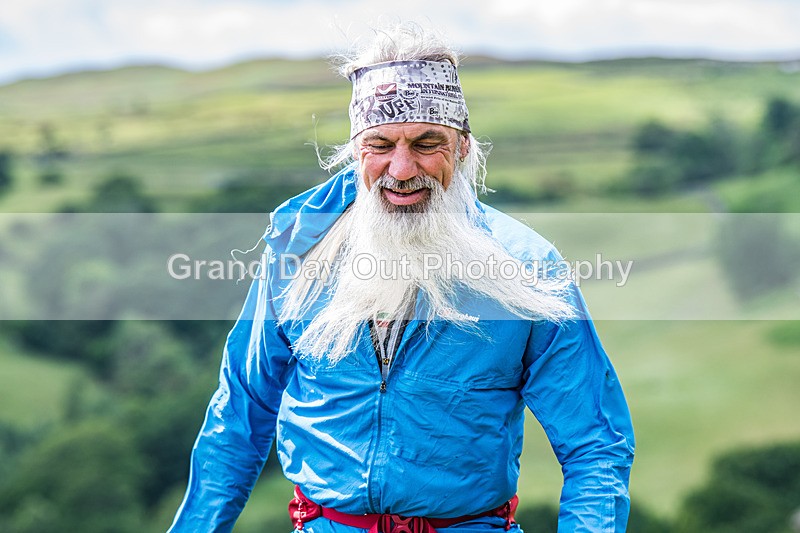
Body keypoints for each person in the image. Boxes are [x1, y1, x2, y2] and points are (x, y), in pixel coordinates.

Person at [169, 23, 635, 533]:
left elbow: (595, 442)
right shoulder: (297, 255)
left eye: (426, 142)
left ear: (461, 148)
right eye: (381, 143)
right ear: (355, 152)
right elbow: (240, 414)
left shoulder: (528, 271)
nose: (401, 167)